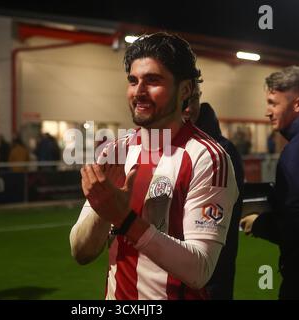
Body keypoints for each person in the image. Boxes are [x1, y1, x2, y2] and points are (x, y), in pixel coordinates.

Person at [70, 32, 239, 300]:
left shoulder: (207, 157)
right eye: (133, 81)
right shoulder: (115, 152)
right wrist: (103, 210)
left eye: (153, 80)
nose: (139, 91)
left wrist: (124, 220)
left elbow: (199, 270)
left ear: (185, 90)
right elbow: (81, 252)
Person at [240, 66, 299, 299]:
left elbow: (295, 220)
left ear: (298, 105)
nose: (267, 111)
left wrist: (260, 223)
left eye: (273, 103)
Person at [183, 86, 244, 300]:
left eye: (193, 100)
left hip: (210, 282)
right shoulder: (163, 146)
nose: (188, 109)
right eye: (183, 101)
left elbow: (216, 222)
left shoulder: (219, 152)